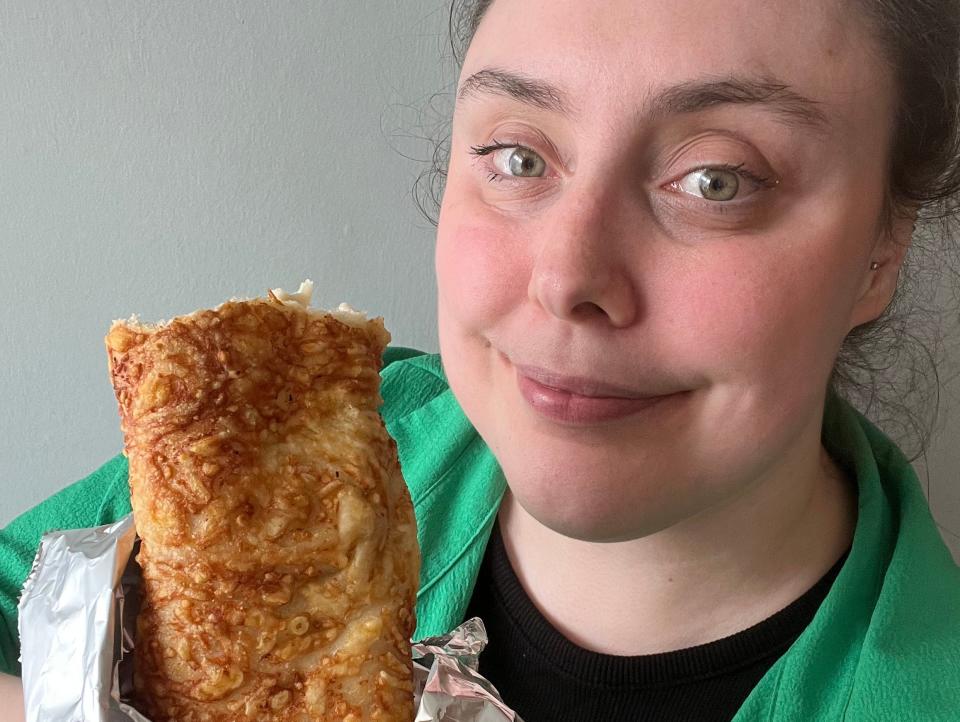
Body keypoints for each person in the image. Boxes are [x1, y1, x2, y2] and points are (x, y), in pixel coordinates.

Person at [2, 0, 960, 720]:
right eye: (518, 157)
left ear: (882, 248)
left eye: (718, 179)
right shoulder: (290, 453)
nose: (567, 277)